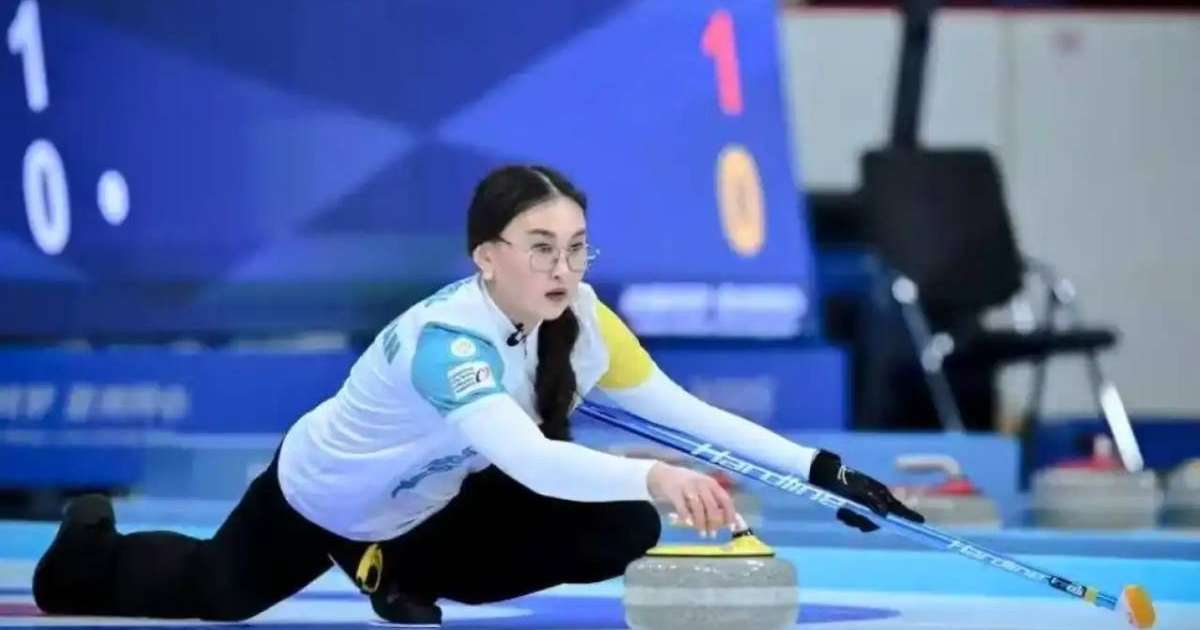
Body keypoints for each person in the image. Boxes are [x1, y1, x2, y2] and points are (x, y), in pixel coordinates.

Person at [31, 165, 923, 626]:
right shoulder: (445, 345)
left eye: (576, 246)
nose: (563, 267)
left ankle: (396, 569)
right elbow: (531, 457)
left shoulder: (581, 314)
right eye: (539, 246)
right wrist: (655, 477)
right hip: (323, 496)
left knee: (617, 525)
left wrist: (830, 471)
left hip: (431, 501)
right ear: (485, 256)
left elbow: (684, 413)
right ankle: (85, 540)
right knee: (217, 594)